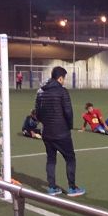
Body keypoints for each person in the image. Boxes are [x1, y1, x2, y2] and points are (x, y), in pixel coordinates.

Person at [35, 66, 84, 197]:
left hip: (46, 132)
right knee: (70, 158)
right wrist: (69, 126)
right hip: (61, 132)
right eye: (64, 78)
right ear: (60, 78)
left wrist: (46, 123)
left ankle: (52, 187)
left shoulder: (41, 91)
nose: (64, 81)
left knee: (51, 159)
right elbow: (68, 112)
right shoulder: (62, 92)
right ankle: (72, 188)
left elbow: (37, 114)